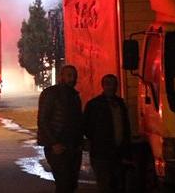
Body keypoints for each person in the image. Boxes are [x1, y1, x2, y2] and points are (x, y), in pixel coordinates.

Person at [37, 64, 83, 193]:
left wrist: (80, 142)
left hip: (73, 146)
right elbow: (43, 120)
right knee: (64, 183)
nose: (72, 78)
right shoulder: (51, 93)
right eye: (69, 75)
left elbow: (77, 121)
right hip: (57, 147)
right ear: (61, 76)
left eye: (74, 76)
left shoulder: (74, 96)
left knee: (71, 184)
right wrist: (53, 143)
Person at [83, 74, 131, 193]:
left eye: (113, 84)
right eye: (108, 84)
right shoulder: (94, 105)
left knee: (118, 186)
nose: (111, 87)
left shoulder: (120, 103)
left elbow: (126, 127)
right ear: (103, 86)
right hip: (101, 154)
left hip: (118, 153)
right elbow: (86, 126)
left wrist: (126, 151)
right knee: (105, 186)